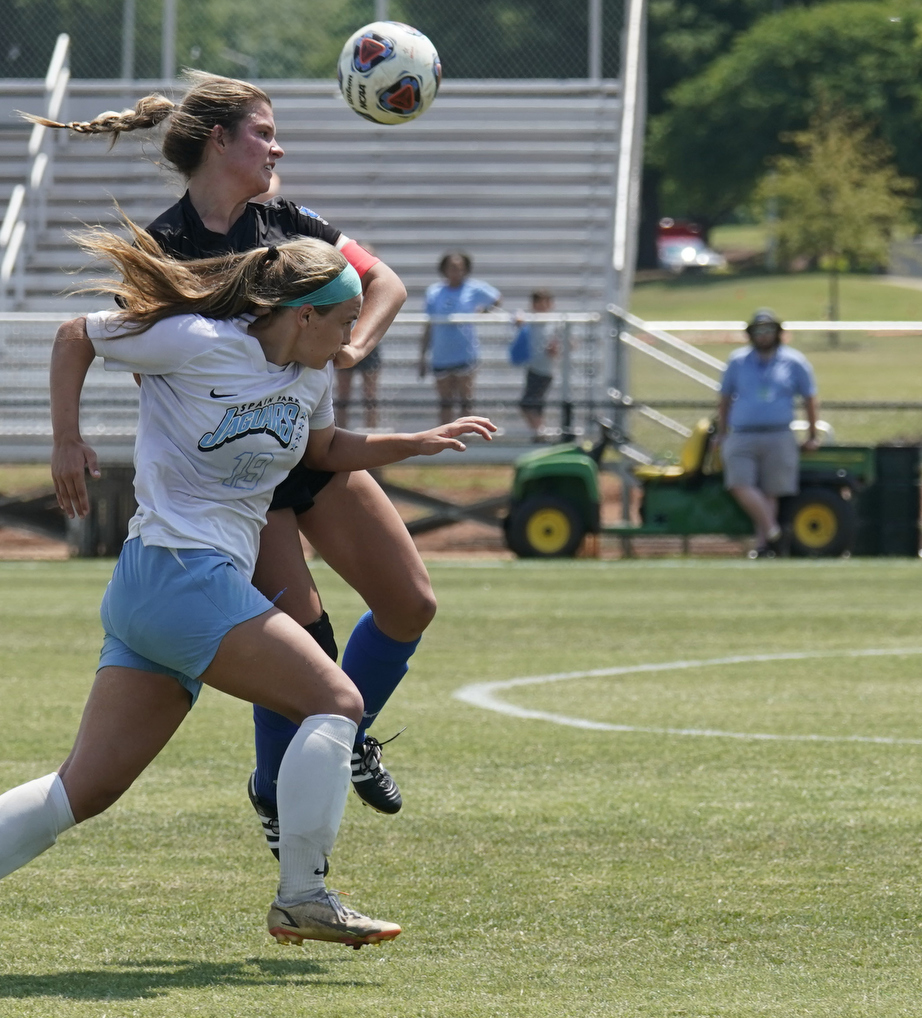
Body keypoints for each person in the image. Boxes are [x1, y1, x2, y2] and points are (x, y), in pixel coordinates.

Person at [0, 231, 496, 977]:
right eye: (343, 322)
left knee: (86, 787)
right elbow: (76, 335)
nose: (352, 339)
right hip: (177, 573)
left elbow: (323, 453)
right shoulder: (198, 340)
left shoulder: (308, 375)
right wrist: (65, 441)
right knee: (336, 700)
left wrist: (415, 443)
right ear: (302, 314)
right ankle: (303, 894)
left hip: (161, 590)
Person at [27, 76, 432, 859]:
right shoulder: (161, 250)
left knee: (411, 603)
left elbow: (384, 283)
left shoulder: (291, 224)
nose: (277, 148)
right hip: (243, 476)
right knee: (307, 637)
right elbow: (127, 354)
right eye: (264, 133)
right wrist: (67, 435)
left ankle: (346, 741)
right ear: (220, 140)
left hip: (309, 443)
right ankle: (281, 795)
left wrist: (350, 345)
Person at [715, 309, 819, 557]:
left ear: (778, 333)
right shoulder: (737, 361)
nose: (764, 336)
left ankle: (764, 547)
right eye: (759, 331)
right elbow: (725, 399)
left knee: (772, 491)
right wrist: (722, 432)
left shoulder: (794, 362)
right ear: (751, 334)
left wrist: (813, 434)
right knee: (739, 484)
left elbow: (810, 398)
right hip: (742, 434)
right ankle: (774, 532)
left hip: (779, 434)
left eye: (769, 330)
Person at [419, 251, 502, 424]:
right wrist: (422, 355)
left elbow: (496, 298)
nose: (456, 272)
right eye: (451, 267)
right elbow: (428, 325)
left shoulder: (474, 288)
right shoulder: (434, 292)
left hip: (464, 352)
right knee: (445, 401)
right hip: (441, 353)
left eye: (459, 268)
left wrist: (483, 311)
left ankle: (466, 437)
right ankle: (444, 437)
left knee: (466, 399)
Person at [514, 289, 560, 442]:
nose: (542, 306)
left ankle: (540, 432)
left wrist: (557, 348)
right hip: (533, 368)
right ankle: (539, 433)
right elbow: (518, 317)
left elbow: (570, 343)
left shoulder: (555, 323)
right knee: (532, 405)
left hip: (547, 370)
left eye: (545, 302)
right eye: (538, 303)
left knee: (529, 404)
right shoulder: (531, 320)